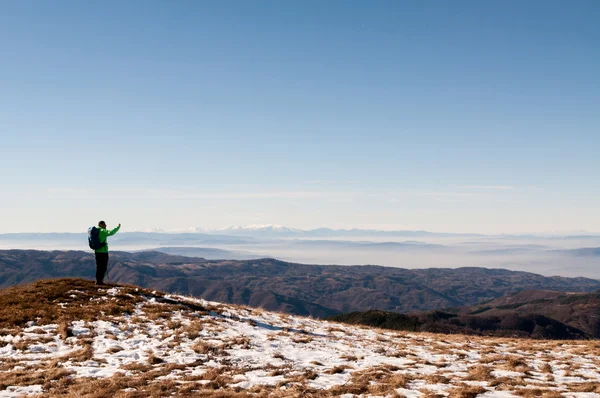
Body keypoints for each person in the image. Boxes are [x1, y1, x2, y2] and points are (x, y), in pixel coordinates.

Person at [94, 221, 121, 285]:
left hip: (97, 251)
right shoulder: (102, 231)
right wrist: (118, 227)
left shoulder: (95, 231)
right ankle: (100, 281)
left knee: (99, 266)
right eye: (104, 224)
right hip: (103, 252)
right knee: (103, 267)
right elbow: (111, 232)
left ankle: (98, 280)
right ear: (101, 224)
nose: (106, 225)